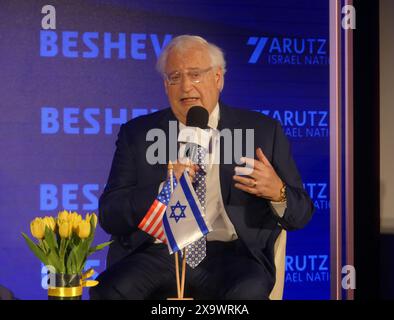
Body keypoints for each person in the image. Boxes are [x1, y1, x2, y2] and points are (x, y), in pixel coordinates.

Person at [90, 35, 314, 300]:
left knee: (248, 294)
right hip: (157, 252)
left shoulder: (261, 132)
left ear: (218, 78)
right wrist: (162, 187)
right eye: (175, 77)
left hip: (230, 255)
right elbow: (110, 214)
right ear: (166, 85)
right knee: (109, 292)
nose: (186, 87)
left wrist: (278, 192)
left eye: (195, 75)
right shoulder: (138, 134)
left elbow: (301, 214)